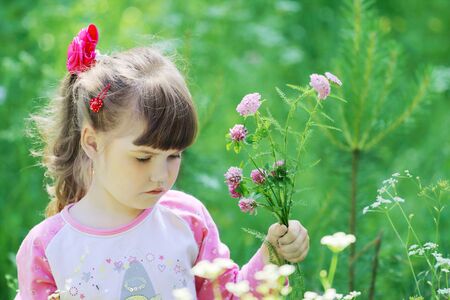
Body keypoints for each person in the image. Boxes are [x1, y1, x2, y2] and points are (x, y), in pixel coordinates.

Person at [15, 24, 310, 299]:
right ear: (92, 142)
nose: (160, 176)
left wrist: (272, 259)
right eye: (143, 157)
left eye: (174, 155)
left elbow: (229, 295)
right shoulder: (48, 247)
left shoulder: (187, 220)